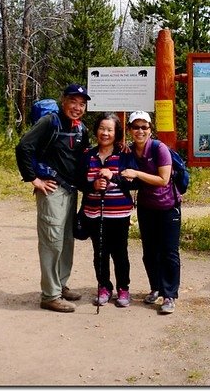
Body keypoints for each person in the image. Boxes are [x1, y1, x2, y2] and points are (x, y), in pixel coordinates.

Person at [15, 84, 91, 313]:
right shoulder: (49, 122)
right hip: (51, 190)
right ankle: (50, 295)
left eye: (82, 103)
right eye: (73, 102)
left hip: (70, 191)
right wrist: (33, 179)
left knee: (66, 241)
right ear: (63, 101)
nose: (77, 107)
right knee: (52, 241)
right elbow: (23, 147)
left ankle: (60, 285)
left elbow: (83, 159)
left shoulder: (81, 129)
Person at [119, 110, 181, 314]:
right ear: (129, 130)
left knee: (169, 252)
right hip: (146, 207)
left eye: (144, 127)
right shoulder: (128, 151)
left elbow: (163, 179)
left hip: (168, 206)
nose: (140, 131)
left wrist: (136, 173)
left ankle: (169, 295)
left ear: (150, 130)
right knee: (150, 252)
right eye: (135, 127)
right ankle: (156, 287)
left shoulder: (159, 148)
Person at [79, 112, 135, 307]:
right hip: (94, 212)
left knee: (120, 252)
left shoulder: (125, 155)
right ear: (96, 131)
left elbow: (133, 183)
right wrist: (92, 186)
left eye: (110, 129)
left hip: (119, 213)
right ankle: (104, 286)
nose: (105, 133)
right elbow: (79, 182)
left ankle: (123, 289)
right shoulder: (88, 155)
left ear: (116, 132)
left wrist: (113, 176)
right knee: (100, 252)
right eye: (102, 128)